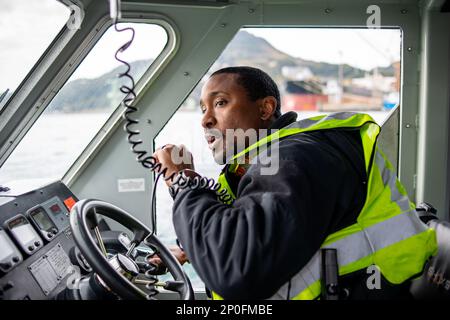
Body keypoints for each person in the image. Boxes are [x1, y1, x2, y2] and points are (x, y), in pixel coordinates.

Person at [151, 66, 437, 300]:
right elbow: (266, 223)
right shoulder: (263, 160)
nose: (205, 120)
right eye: (202, 108)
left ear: (265, 109)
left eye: (220, 103)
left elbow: (236, 270)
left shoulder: (296, 158)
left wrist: (181, 180)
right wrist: (195, 244)